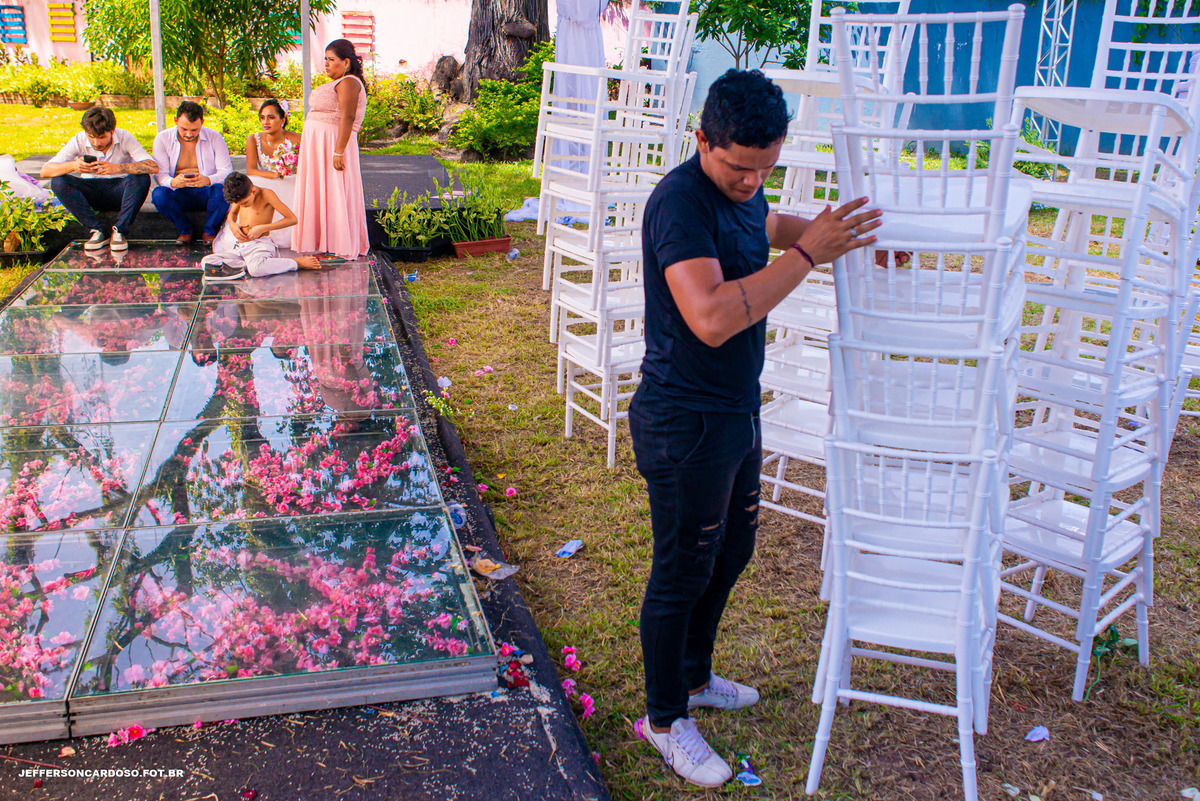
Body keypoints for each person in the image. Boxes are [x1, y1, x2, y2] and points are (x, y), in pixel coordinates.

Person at [630, 69, 882, 788]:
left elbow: (766, 226)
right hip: (684, 419)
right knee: (682, 568)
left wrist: (838, 237)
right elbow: (709, 317)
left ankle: (695, 673)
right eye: (740, 166)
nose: (752, 181)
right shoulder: (680, 203)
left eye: (766, 167)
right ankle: (665, 718)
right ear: (702, 138)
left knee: (732, 548)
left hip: (735, 408)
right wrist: (808, 259)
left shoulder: (745, 188)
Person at [292, 39, 369, 260]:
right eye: (325, 59)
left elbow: (347, 116)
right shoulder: (338, 81)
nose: (326, 64)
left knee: (335, 190)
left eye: (331, 59)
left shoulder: (349, 82)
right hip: (319, 144)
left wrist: (338, 151)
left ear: (346, 62)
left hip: (333, 142)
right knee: (321, 190)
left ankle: (339, 244)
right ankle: (324, 242)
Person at [41, 107, 158, 253]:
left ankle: (119, 231)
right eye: (91, 136)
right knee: (58, 181)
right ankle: (97, 230)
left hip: (120, 190)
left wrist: (118, 168)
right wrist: (73, 165)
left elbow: (153, 166)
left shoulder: (124, 137)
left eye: (101, 137)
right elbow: (45, 170)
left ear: (112, 131)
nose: (96, 143)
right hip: (90, 190)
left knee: (141, 178)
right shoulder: (79, 139)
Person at [201, 172, 320, 283]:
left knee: (255, 270)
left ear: (252, 191)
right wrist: (233, 225)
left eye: (245, 203)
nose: (242, 206)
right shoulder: (240, 195)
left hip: (260, 245)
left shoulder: (266, 195)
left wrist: (263, 228)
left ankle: (295, 263)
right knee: (206, 262)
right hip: (240, 248)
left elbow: (292, 219)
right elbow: (232, 214)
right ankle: (249, 264)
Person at [151, 101, 233, 246]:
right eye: (184, 129)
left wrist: (208, 180)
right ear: (175, 121)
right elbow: (160, 174)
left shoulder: (215, 137)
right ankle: (186, 230)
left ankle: (210, 232)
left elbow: (226, 171)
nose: (189, 134)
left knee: (223, 192)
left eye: (194, 130)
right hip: (178, 192)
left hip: (206, 193)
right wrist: (173, 182)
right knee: (158, 195)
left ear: (202, 122)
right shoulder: (162, 138)